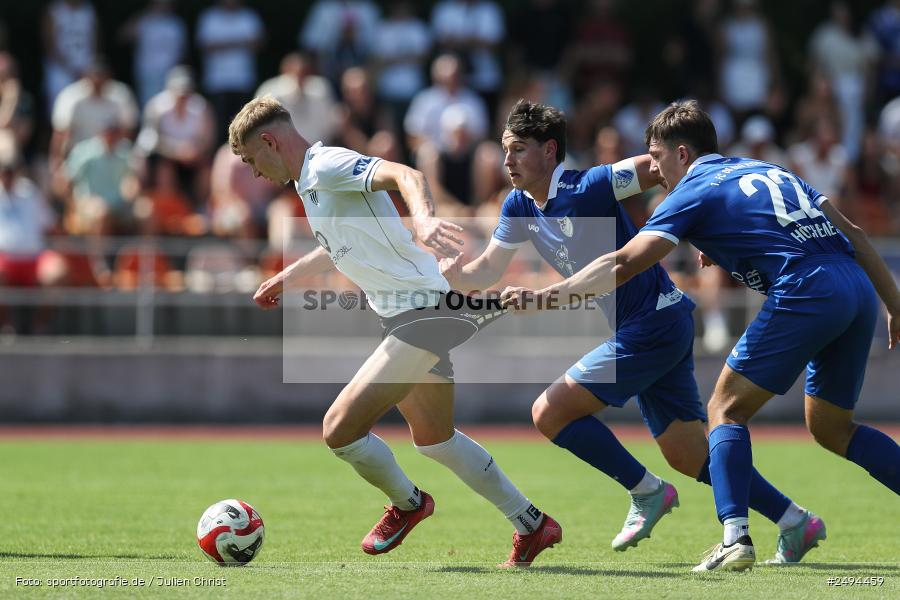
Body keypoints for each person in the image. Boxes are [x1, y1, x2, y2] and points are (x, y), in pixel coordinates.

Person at [500, 100, 900, 572]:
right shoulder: (767, 169)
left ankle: (734, 536)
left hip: (804, 288)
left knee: (725, 409)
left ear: (683, 154)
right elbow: (850, 230)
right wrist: (894, 304)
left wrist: (552, 295)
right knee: (832, 429)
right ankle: (790, 520)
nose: (655, 169)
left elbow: (624, 262)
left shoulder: (689, 189)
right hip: (856, 288)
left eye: (657, 157)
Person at [444, 99, 819, 561]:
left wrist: (715, 233)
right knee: (686, 454)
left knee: (549, 412)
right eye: (505, 150)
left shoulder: (593, 184)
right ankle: (793, 520)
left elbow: (672, 165)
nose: (507, 161)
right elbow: (485, 271)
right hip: (655, 326)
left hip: (654, 324)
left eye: (518, 149)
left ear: (549, 150)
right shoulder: (518, 205)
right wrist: (449, 275)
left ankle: (645, 491)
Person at [233, 95, 561, 566]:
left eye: (251, 160)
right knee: (436, 440)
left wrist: (424, 218)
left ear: (268, 140)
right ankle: (533, 524)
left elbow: (408, 175)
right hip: (408, 316)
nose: (255, 172)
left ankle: (409, 504)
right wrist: (288, 276)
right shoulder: (311, 183)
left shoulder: (325, 164)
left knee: (339, 430)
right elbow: (340, 244)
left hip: (424, 314)